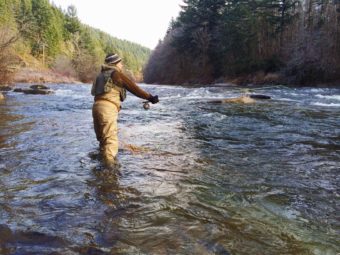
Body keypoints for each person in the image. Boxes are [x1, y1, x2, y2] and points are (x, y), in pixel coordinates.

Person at [91, 53, 159, 165]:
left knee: (103, 141)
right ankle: (109, 174)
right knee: (110, 142)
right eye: (120, 62)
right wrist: (150, 98)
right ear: (115, 63)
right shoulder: (116, 74)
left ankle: (100, 168)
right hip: (108, 109)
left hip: (96, 107)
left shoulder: (100, 75)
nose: (122, 65)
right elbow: (134, 88)